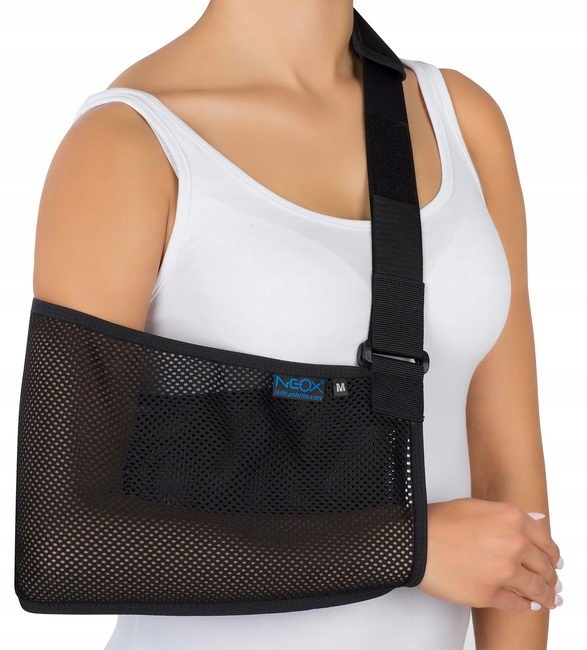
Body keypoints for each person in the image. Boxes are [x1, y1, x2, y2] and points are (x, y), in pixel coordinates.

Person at [31, 1, 563, 648]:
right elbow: (62, 545)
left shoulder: (455, 118)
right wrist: (407, 549)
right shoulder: (131, 142)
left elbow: (507, 476)